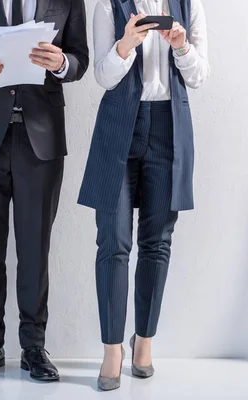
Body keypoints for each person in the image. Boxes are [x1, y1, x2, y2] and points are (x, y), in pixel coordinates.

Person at [0, 0, 88, 382]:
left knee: (35, 248)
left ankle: (33, 347)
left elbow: (79, 59)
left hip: (41, 138)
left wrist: (61, 64)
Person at [78, 0, 209, 391]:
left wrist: (182, 46)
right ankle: (112, 349)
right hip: (120, 125)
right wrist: (125, 45)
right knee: (113, 243)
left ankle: (144, 343)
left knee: (157, 243)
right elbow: (103, 76)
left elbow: (200, 76)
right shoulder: (107, 5)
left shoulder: (190, 5)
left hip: (170, 127)